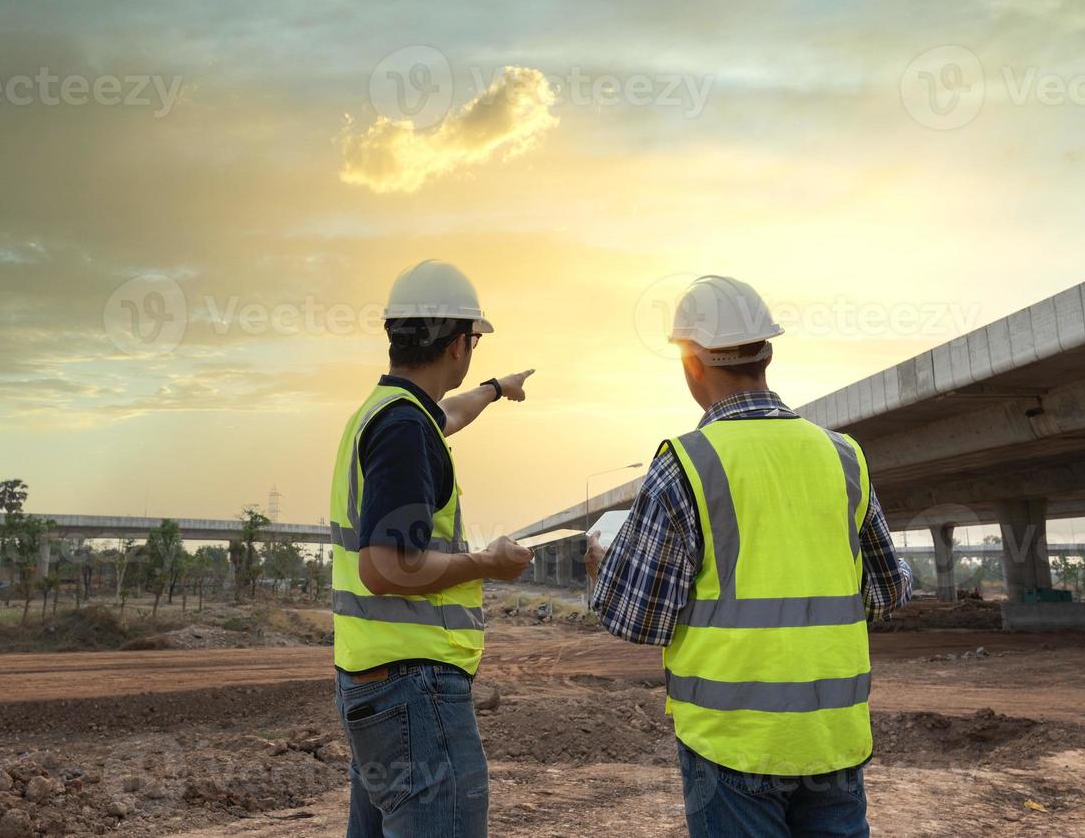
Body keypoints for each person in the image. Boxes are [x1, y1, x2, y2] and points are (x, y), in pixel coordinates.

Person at [585, 275, 912, 838]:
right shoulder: (843, 456)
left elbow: (638, 619)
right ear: (768, 353)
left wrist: (602, 566)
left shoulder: (686, 463)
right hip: (832, 741)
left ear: (691, 364)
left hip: (732, 744)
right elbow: (886, 592)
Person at [330, 259, 536, 838]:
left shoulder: (393, 413)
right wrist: (489, 565)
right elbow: (384, 566)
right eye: (473, 339)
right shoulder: (403, 430)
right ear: (457, 344)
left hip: (376, 679)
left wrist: (495, 390)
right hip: (413, 687)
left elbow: (448, 414)